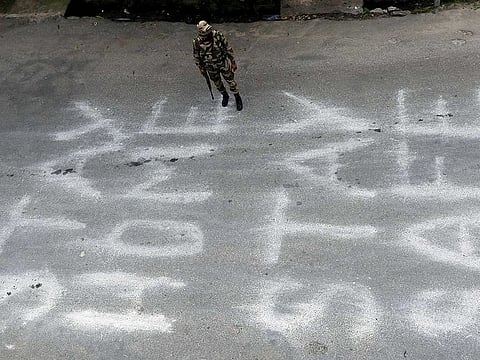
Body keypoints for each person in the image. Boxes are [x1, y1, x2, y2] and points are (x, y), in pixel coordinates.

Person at [193, 20, 243, 111]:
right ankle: (225, 95)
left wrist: (232, 62)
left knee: (231, 81)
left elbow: (227, 48)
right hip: (210, 66)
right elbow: (196, 55)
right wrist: (200, 67)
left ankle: (237, 97)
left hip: (222, 62)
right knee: (217, 83)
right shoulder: (197, 41)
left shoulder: (217, 35)